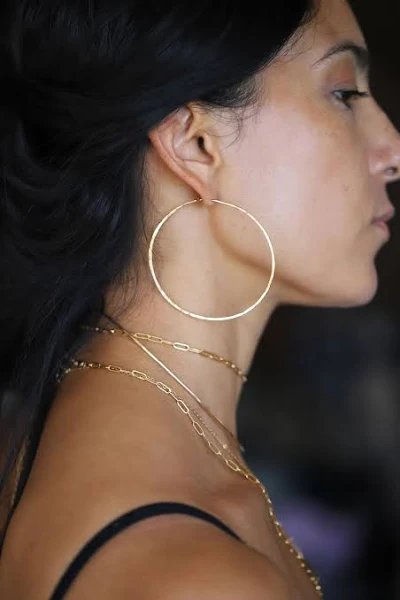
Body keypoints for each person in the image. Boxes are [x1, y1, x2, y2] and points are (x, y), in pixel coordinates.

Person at [0, 0, 399, 597]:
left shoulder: (53, 428)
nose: (392, 149)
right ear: (196, 145)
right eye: (343, 93)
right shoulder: (200, 576)